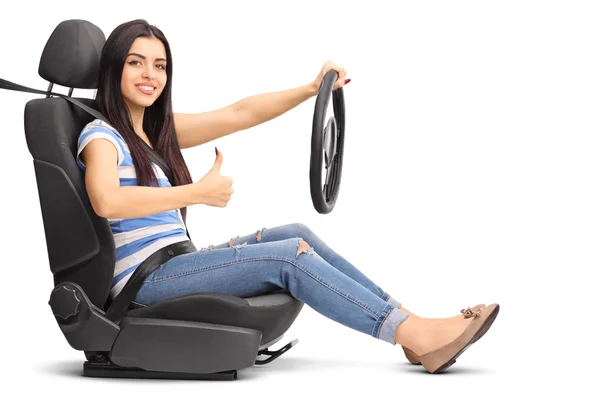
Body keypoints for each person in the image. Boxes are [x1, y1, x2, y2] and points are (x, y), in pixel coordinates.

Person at [76, 19, 499, 374]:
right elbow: (106, 201)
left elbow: (238, 113)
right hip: (145, 281)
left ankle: (412, 325)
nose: (150, 75)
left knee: (295, 232)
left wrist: (312, 89)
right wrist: (196, 193)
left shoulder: (152, 133)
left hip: (176, 261)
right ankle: (413, 334)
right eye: (136, 63)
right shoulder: (102, 137)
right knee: (287, 257)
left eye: (159, 65)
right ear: (114, 68)